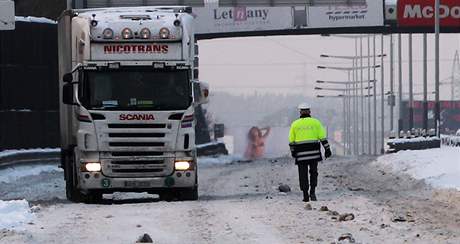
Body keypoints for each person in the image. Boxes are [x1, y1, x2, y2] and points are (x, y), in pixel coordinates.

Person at [289, 103, 332, 202]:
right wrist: (327, 149)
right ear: (309, 112)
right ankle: (312, 192)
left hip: (301, 154)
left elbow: (291, 140)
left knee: (302, 174)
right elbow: (322, 137)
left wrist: (293, 151)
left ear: (300, 112)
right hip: (314, 153)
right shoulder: (316, 123)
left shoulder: (295, 124)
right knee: (314, 172)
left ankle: (305, 195)